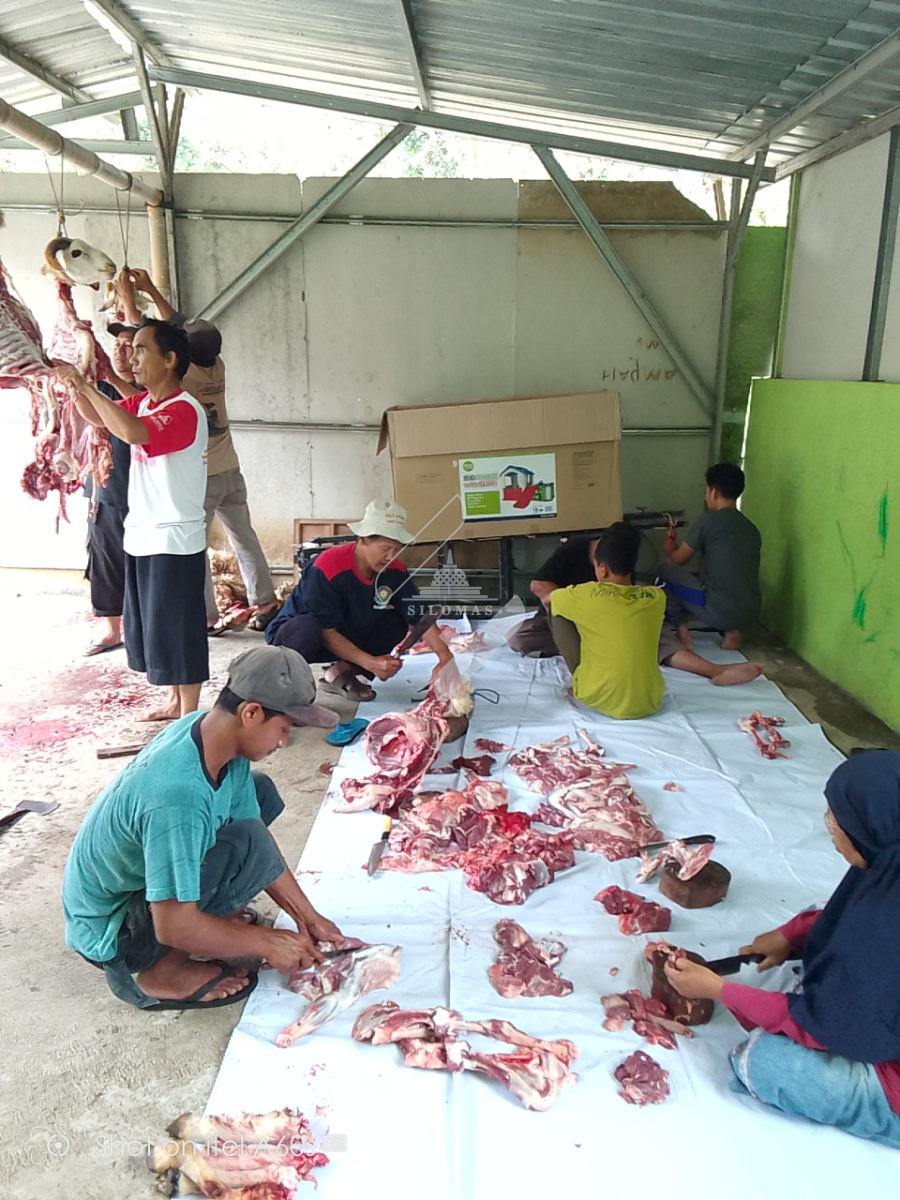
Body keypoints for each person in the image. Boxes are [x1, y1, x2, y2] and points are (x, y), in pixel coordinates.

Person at [62, 646, 341, 1010]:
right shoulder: (177, 796)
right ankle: (163, 971)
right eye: (284, 728)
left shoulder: (208, 732)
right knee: (241, 843)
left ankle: (210, 919)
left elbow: (254, 832)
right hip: (115, 933)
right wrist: (266, 942)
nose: (283, 741)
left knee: (259, 796)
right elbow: (173, 927)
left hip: (138, 889)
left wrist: (309, 917)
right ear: (251, 712)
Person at [664, 752, 900, 1149]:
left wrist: (721, 991)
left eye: (839, 823)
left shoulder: (886, 942)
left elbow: (830, 1024)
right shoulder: (890, 861)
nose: (831, 832)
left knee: (766, 1063)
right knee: (819, 916)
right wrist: (790, 936)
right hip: (872, 1008)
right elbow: (852, 916)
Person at [55, 319, 209, 722]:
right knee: (158, 628)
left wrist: (87, 384)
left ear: (169, 360)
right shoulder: (144, 402)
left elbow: (132, 432)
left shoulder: (184, 410)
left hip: (174, 538)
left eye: (141, 349)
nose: (132, 358)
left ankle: (188, 714)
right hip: (144, 533)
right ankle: (175, 702)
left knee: (179, 630)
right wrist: (76, 386)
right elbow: (99, 417)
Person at [117, 268, 279, 634]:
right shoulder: (216, 367)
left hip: (203, 476)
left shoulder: (183, 378)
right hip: (230, 469)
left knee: (194, 545)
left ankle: (206, 615)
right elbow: (178, 326)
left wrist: (130, 299)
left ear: (176, 357)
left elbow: (158, 338)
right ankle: (265, 600)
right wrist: (150, 290)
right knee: (244, 537)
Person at [510, 528, 764, 687]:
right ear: (599, 562)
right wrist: (583, 605)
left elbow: (631, 602)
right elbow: (539, 587)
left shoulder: (623, 569)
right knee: (522, 636)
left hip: (613, 623)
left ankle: (715, 670)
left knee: (652, 633)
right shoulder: (576, 552)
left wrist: (679, 628)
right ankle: (594, 651)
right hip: (576, 622)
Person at [265, 500, 453, 702]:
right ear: (362, 540)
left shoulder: (395, 570)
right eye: (385, 549)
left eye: (397, 550)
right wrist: (371, 663)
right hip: (299, 637)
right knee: (308, 627)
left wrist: (445, 657)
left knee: (395, 622)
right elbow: (326, 630)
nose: (390, 557)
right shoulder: (327, 567)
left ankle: (340, 672)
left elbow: (419, 616)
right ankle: (286, 687)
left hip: (342, 632)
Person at [547, 523, 666, 720]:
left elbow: (549, 599)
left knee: (556, 609)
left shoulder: (584, 594)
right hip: (649, 700)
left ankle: (580, 682)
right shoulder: (656, 597)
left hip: (597, 697)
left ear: (602, 570)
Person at [661, 462, 761, 652]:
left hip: (719, 610)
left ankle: (682, 632)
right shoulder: (751, 529)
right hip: (751, 612)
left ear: (713, 492)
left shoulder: (708, 521)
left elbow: (678, 560)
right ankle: (733, 632)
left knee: (664, 572)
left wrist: (668, 548)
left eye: (706, 491)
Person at [83, 322, 136, 655]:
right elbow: (90, 416)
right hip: (104, 489)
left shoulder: (149, 390)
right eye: (116, 344)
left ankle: (141, 628)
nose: (120, 350)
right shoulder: (100, 386)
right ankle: (112, 630)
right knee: (105, 561)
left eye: (129, 345)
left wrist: (116, 379)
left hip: (140, 492)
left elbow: (141, 408)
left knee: (140, 565)